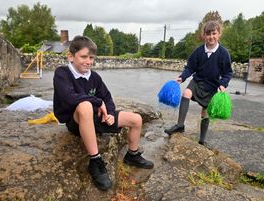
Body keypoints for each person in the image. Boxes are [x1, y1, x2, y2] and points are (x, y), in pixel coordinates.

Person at [53, 36, 154, 191]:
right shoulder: (62, 73)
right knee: (85, 106)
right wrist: (97, 102)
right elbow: (69, 98)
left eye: (91, 57)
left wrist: (111, 113)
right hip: (75, 121)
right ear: (71, 57)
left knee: (136, 119)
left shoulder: (94, 77)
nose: (88, 61)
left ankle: (132, 155)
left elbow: (106, 97)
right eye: (83, 57)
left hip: (94, 118)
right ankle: (95, 160)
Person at [164, 20, 233, 146]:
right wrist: (182, 77)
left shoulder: (223, 53)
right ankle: (180, 125)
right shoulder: (198, 51)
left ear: (219, 34)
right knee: (186, 93)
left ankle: (202, 139)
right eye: (208, 34)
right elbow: (190, 67)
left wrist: (223, 84)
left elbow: (228, 72)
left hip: (212, 85)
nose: (211, 37)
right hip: (197, 81)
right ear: (204, 35)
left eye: (214, 33)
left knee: (205, 111)